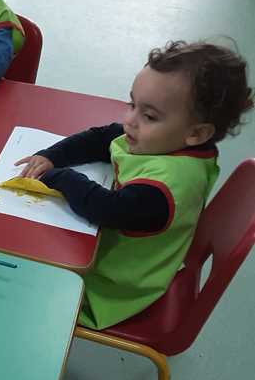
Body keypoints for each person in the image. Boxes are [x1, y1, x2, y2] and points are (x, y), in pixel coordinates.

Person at [14, 41, 253, 329]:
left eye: (149, 116)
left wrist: (58, 177)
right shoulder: (170, 142)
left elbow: (104, 209)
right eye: (132, 104)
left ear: (197, 133)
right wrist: (51, 156)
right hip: (115, 256)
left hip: (108, 288)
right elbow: (103, 137)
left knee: (14, 271)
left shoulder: (164, 188)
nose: (129, 120)